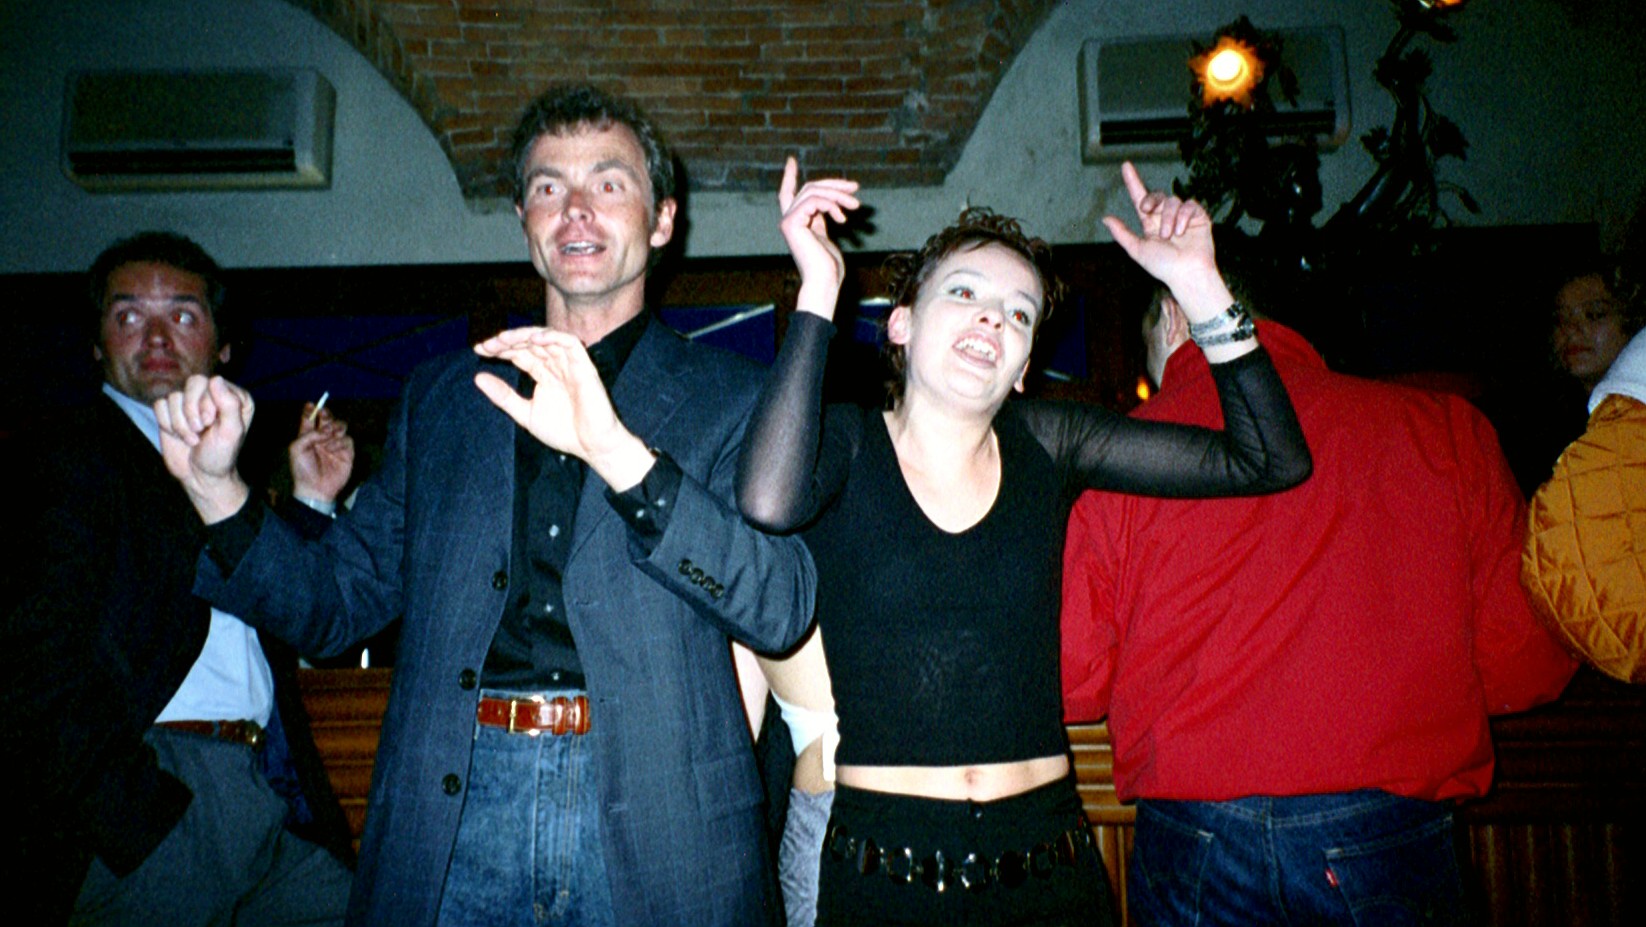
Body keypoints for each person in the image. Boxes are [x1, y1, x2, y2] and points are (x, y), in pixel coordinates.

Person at [153, 85, 815, 927]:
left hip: (659, 818)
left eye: (609, 182)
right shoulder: (443, 398)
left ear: (662, 221)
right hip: (455, 806)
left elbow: (779, 605)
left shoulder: (737, 397)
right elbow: (333, 606)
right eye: (548, 186)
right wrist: (217, 488)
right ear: (524, 220)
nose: (575, 207)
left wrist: (619, 455)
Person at [736, 159, 1311, 926]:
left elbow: (1270, 459)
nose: (991, 320)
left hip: (1049, 867)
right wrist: (817, 289)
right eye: (964, 294)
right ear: (901, 325)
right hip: (884, 871)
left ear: (1023, 368)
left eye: (1018, 313)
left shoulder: (1050, 439)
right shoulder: (848, 441)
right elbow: (766, 500)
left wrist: (1201, 287)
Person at [1061, 286, 1579, 926]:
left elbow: (1073, 681)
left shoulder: (1118, 455)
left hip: (1196, 831)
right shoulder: (1442, 427)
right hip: (1386, 828)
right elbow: (1524, 664)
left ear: (1172, 315)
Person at [1, 231, 355, 926]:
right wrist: (133, 815)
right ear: (97, 344)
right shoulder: (68, 460)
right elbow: (28, 660)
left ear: (223, 347)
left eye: (184, 314)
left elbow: (277, 620)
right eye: (129, 315)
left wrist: (311, 501)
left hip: (258, 789)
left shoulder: (221, 472)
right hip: (159, 793)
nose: (157, 336)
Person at [1524, 327, 1646, 684]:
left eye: (1594, 314)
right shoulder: (1532, 415)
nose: (1573, 331)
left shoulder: (1624, 427)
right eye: (1560, 320)